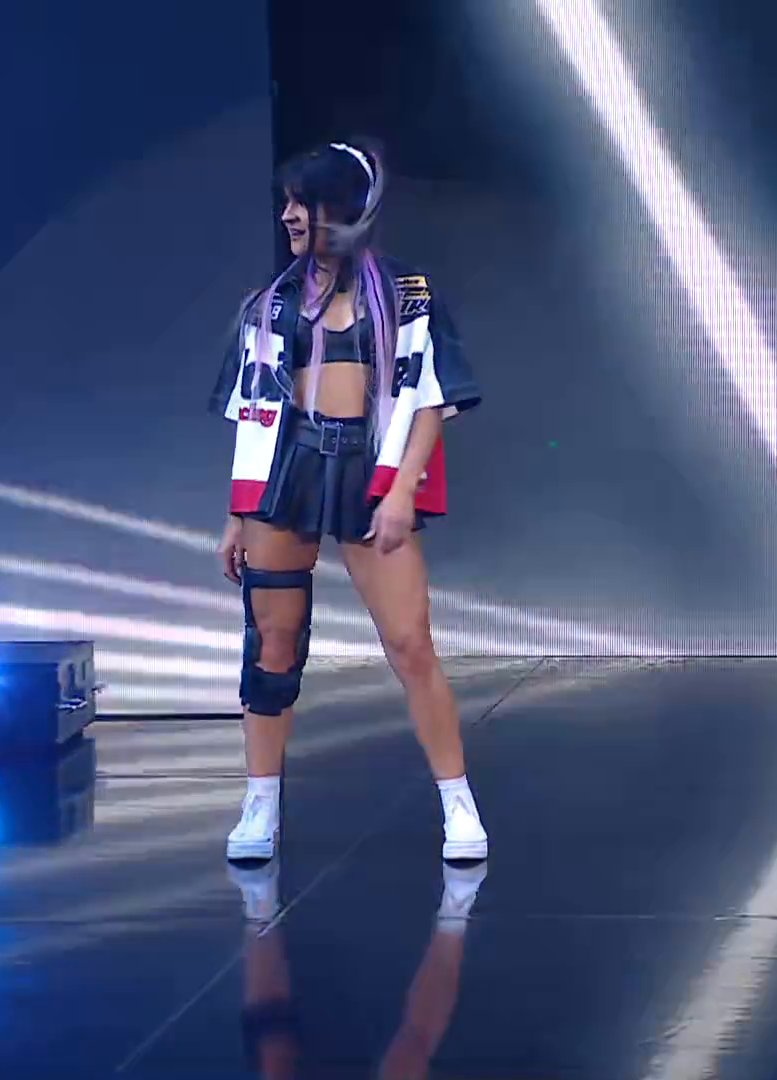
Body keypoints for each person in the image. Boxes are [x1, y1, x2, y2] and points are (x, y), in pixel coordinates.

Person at [208, 139, 487, 863]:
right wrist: (237, 515)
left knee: (410, 644)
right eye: (286, 203)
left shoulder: (406, 294)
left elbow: (428, 400)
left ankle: (457, 802)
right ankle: (259, 804)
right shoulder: (270, 304)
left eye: (302, 203)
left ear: (342, 208)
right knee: (271, 646)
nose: (289, 216)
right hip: (287, 471)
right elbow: (252, 412)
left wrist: (400, 493)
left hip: (370, 470)